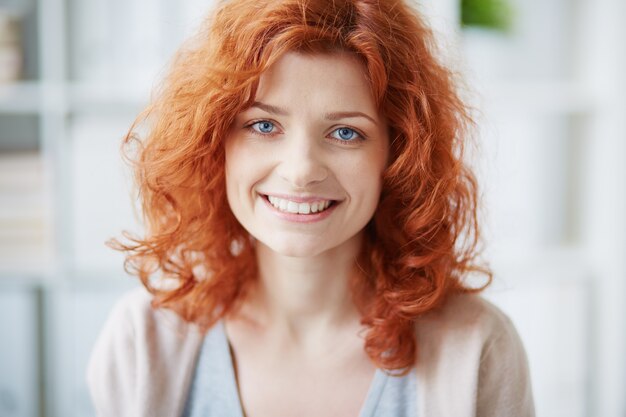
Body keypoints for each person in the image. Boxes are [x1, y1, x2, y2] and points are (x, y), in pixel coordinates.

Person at [87, 0, 535, 416]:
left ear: (397, 158)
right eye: (264, 125)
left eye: (345, 133)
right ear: (214, 144)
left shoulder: (478, 347)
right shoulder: (141, 342)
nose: (301, 171)